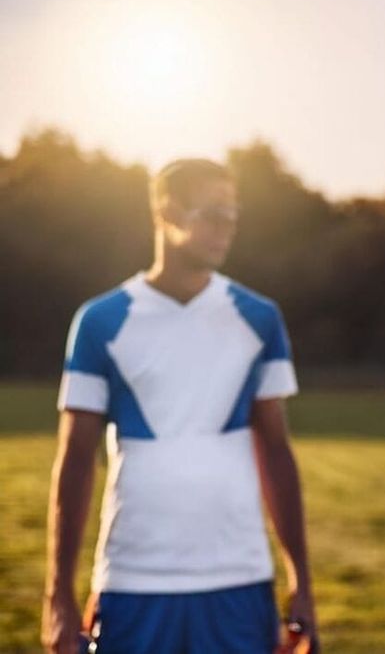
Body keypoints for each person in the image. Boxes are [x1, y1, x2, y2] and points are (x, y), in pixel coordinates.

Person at [42, 159, 318, 653]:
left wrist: (301, 579)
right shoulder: (100, 321)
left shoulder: (259, 318)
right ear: (166, 213)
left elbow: (276, 451)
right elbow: (76, 459)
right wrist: (58, 594)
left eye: (232, 215)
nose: (226, 227)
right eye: (212, 213)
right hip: (134, 580)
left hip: (239, 580)